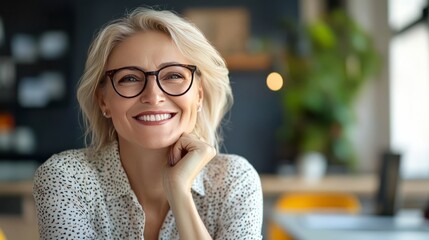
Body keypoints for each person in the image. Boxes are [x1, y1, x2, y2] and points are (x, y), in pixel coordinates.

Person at [33, 7, 263, 239]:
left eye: (174, 75)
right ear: (104, 101)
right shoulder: (67, 179)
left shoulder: (234, 181)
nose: (153, 96)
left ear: (199, 95)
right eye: (130, 78)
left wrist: (179, 191)